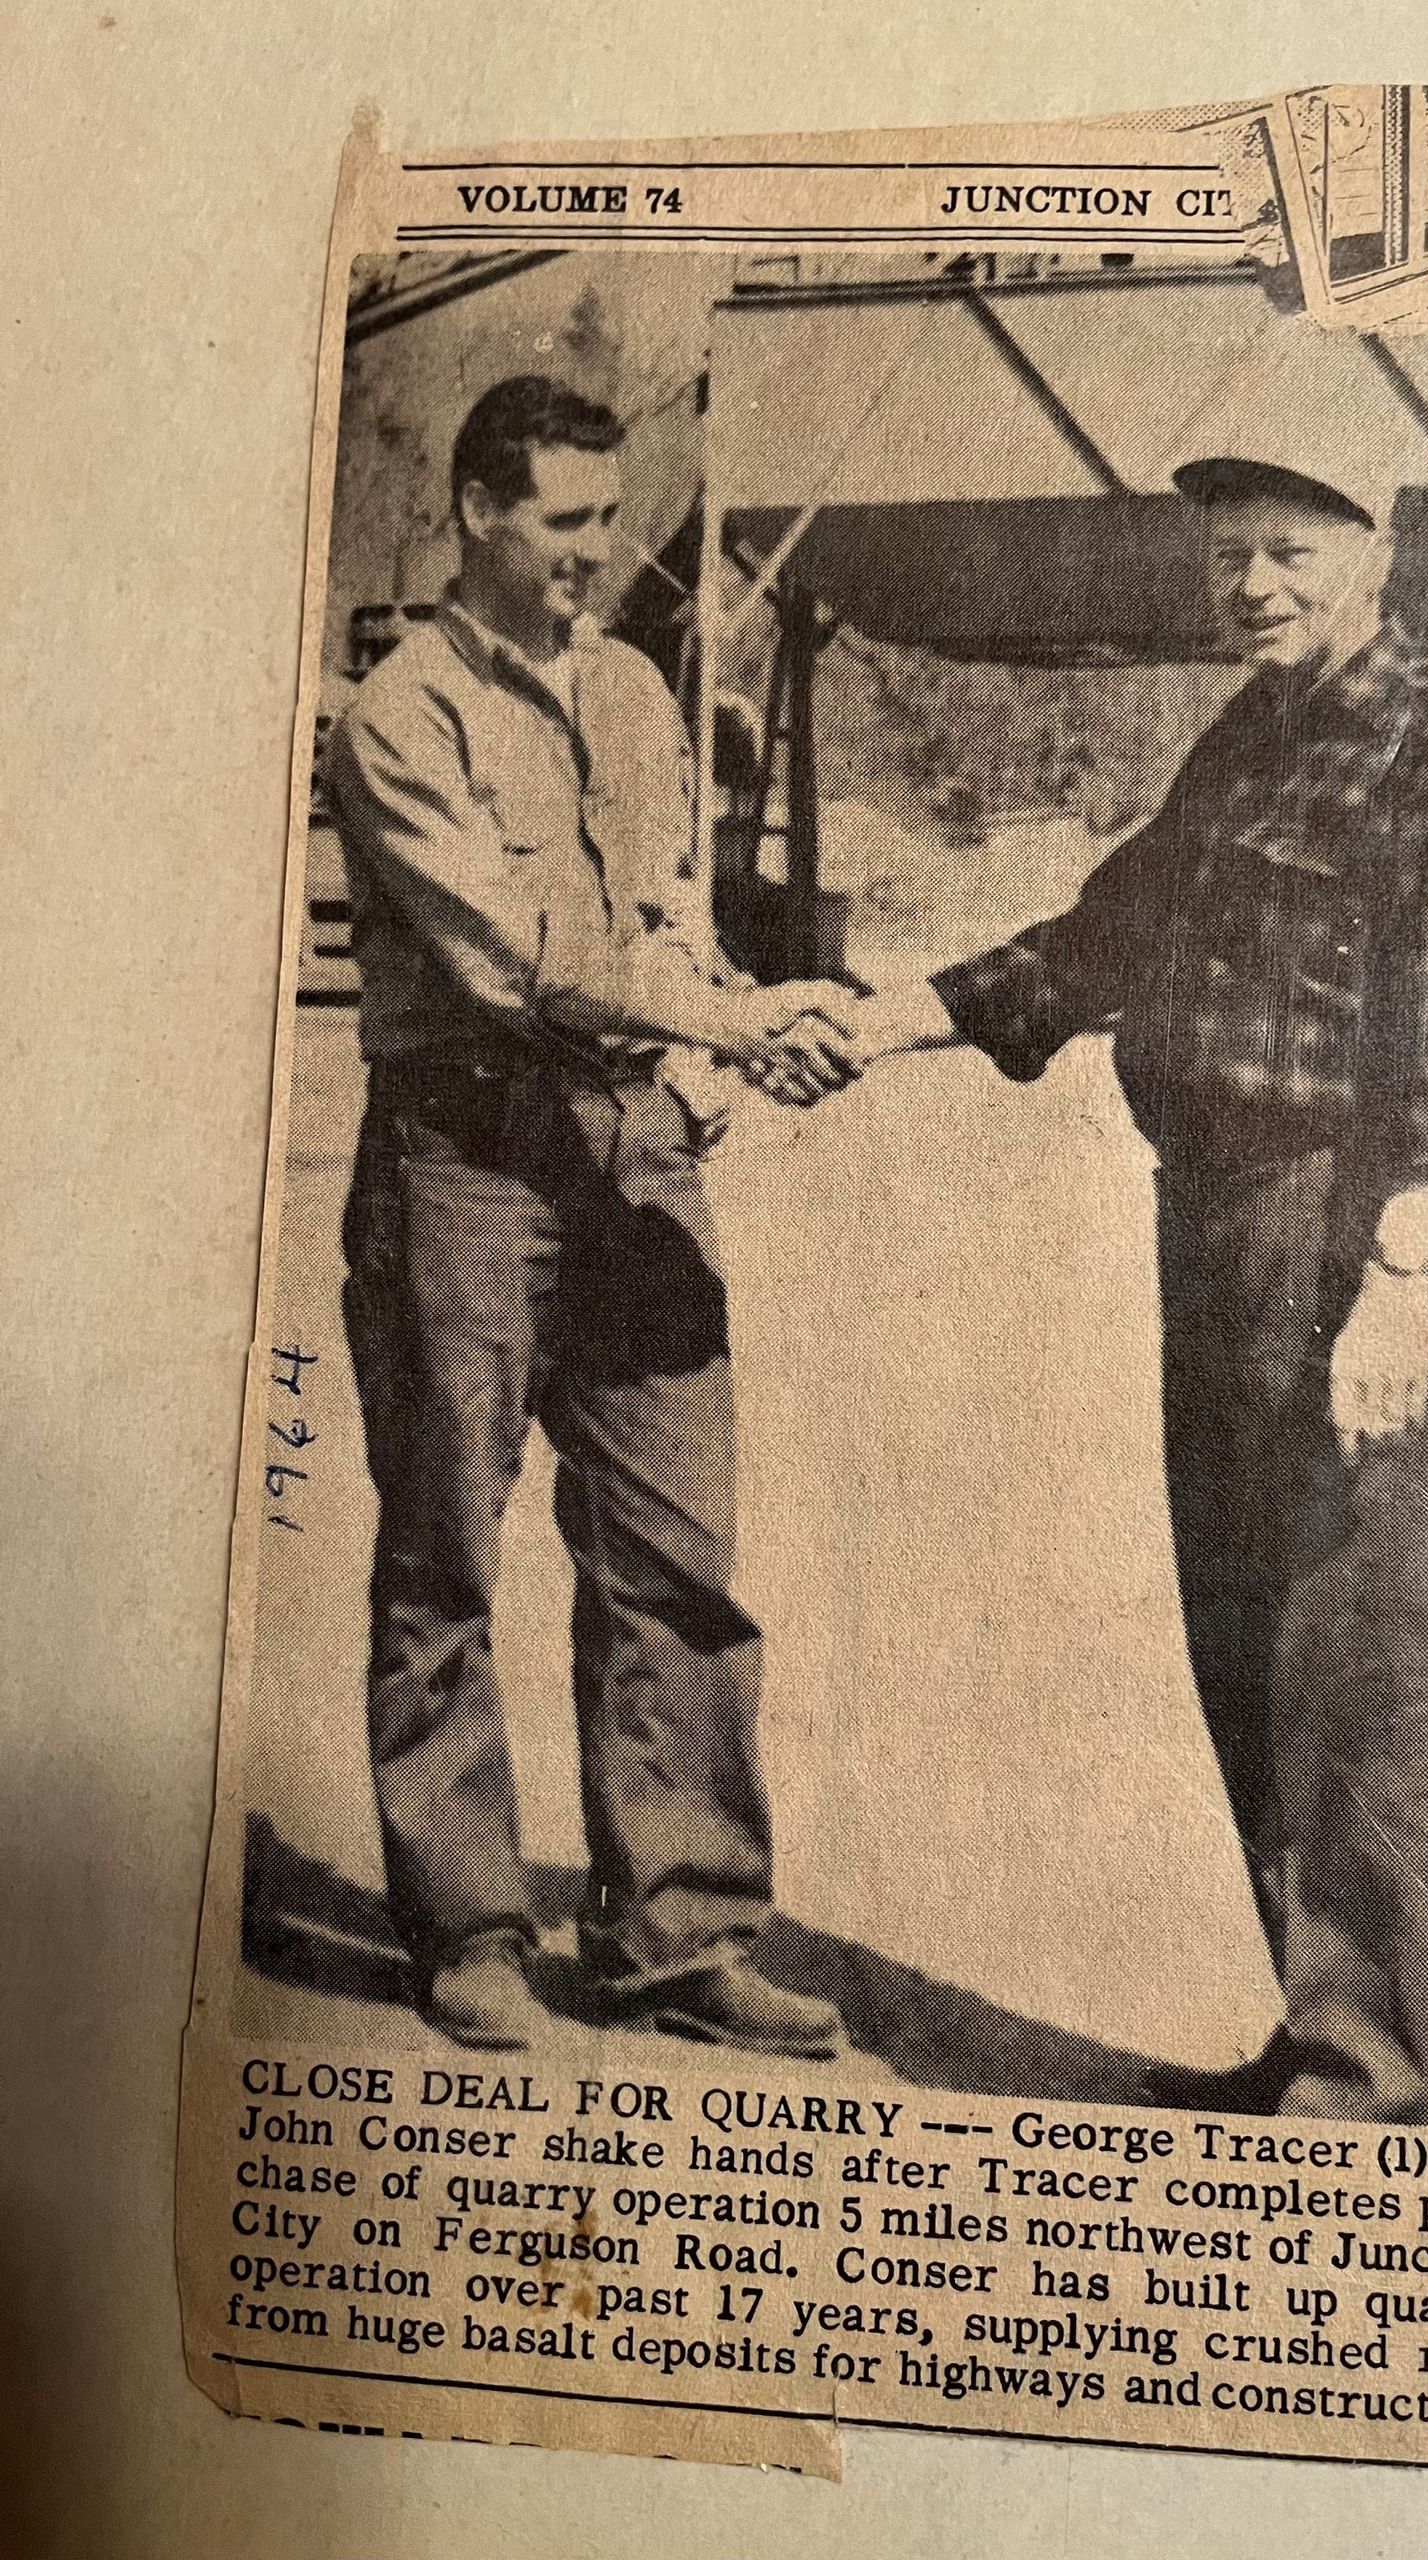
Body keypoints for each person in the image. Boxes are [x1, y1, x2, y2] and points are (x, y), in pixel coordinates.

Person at [856, 454, 1428, 2123]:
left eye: (1289, 554)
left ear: (1374, 558)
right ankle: (1319, 2036)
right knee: (1248, 1641)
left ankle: (1373, 2084)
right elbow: (1103, 942)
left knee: (1367, 1656)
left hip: (1357, 1233)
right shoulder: (1245, 742)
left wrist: (1397, 1273)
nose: (1253, 587)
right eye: (1230, 558)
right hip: (1219, 1230)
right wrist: (879, 1021)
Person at [326, 374, 860, 2055]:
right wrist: (728, 1019)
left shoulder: (635, 690)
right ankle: (470, 1925)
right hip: (464, 1169)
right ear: (480, 512)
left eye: (608, 518)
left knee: (677, 1557)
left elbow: (667, 924)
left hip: (640, 1162)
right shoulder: (396, 716)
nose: (597, 551)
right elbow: (514, 959)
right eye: (564, 520)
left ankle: (679, 1936)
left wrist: (718, 1061)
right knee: (444, 1560)